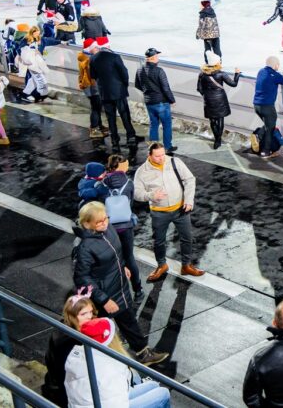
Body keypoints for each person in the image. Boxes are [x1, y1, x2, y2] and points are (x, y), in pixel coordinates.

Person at [71, 202, 169, 366]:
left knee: (129, 321)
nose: (104, 223)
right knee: (99, 331)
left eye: (105, 219)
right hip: (104, 296)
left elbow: (115, 252)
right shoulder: (84, 248)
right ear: (87, 224)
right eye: (99, 222)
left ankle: (143, 353)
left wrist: (121, 266)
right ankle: (88, 361)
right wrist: (104, 300)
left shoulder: (107, 230)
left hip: (119, 287)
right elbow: (82, 279)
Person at [65, 316, 172, 408]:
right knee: (163, 393)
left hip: (92, 403)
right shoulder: (109, 365)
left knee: (153, 385)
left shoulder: (77, 353)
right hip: (107, 404)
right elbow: (120, 394)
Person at [133, 143, 204, 280]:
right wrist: (151, 196)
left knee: (187, 238)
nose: (162, 158)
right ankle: (161, 265)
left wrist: (189, 200)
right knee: (159, 241)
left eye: (163, 154)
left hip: (180, 209)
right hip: (159, 212)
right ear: (150, 156)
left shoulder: (174, 162)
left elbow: (190, 179)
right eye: (157, 156)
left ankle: (186, 265)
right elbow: (136, 193)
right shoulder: (142, 172)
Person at [41, 291, 95, 406]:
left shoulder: (66, 328)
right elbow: (66, 374)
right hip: (63, 393)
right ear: (72, 316)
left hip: (60, 387)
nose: (89, 317)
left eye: (90, 312)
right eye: (83, 314)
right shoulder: (69, 341)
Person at [89, 38, 139, 151]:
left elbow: (93, 76)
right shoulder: (115, 57)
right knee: (125, 115)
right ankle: (130, 137)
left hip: (104, 93)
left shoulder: (93, 59)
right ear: (108, 46)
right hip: (118, 92)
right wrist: (124, 85)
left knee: (110, 118)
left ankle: (114, 141)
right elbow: (124, 73)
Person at [100, 154, 141, 291]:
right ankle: (138, 289)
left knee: (111, 259)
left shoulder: (103, 183)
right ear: (121, 166)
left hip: (108, 227)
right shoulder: (129, 183)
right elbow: (131, 203)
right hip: (125, 226)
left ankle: (115, 290)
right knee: (129, 258)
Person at [135, 48, 176, 153]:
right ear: (153, 58)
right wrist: (172, 100)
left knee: (154, 124)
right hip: (161, 103)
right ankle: (167, 147)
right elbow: (165, 88)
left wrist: (148, 92)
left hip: (149, 102)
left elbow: (137, 85)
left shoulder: (140, 70)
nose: (158, 58)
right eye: (157, 56)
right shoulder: (159, 71)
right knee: (166, 125)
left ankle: (154, 146)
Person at [253, 57, 283, 158]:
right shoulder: (275, 75)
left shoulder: (260, 71)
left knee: (268, 125)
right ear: (275, 65)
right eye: (278, 64)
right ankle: (265, 151)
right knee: (270, 128)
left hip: (256, 105)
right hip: (267, 107)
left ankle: (258, 135)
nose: (278, 66)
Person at [197, 60, 241, 150]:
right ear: (216, 64)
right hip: (220, 99)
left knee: (212, 120)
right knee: (220, 119)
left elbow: (199, 88)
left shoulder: (202, 74)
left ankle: (217, 140)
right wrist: (237, 74)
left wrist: (207, 95)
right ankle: (218, 140)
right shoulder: (221, 74)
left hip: (208, 99)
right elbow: (233, 84)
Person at [78, 41, 107, 139]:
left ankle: (99, 125)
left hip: (88, 86)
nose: (98, 49)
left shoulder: (84, 57)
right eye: (96, 48)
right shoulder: (89, 60)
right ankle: (94, 129)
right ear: (90, 49)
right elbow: (93, 77)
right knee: (96, 108)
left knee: (96, 107)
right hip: (92, 87)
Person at [16, 30, 50, 102]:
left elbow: (51, 41)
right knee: (39, 78)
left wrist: (61, 42)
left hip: (36, 63)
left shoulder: (40, 39)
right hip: (31, 64)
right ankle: (42, 93)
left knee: (34, 80)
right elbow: (21, 51)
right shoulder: (26, 41)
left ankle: (25, 93)